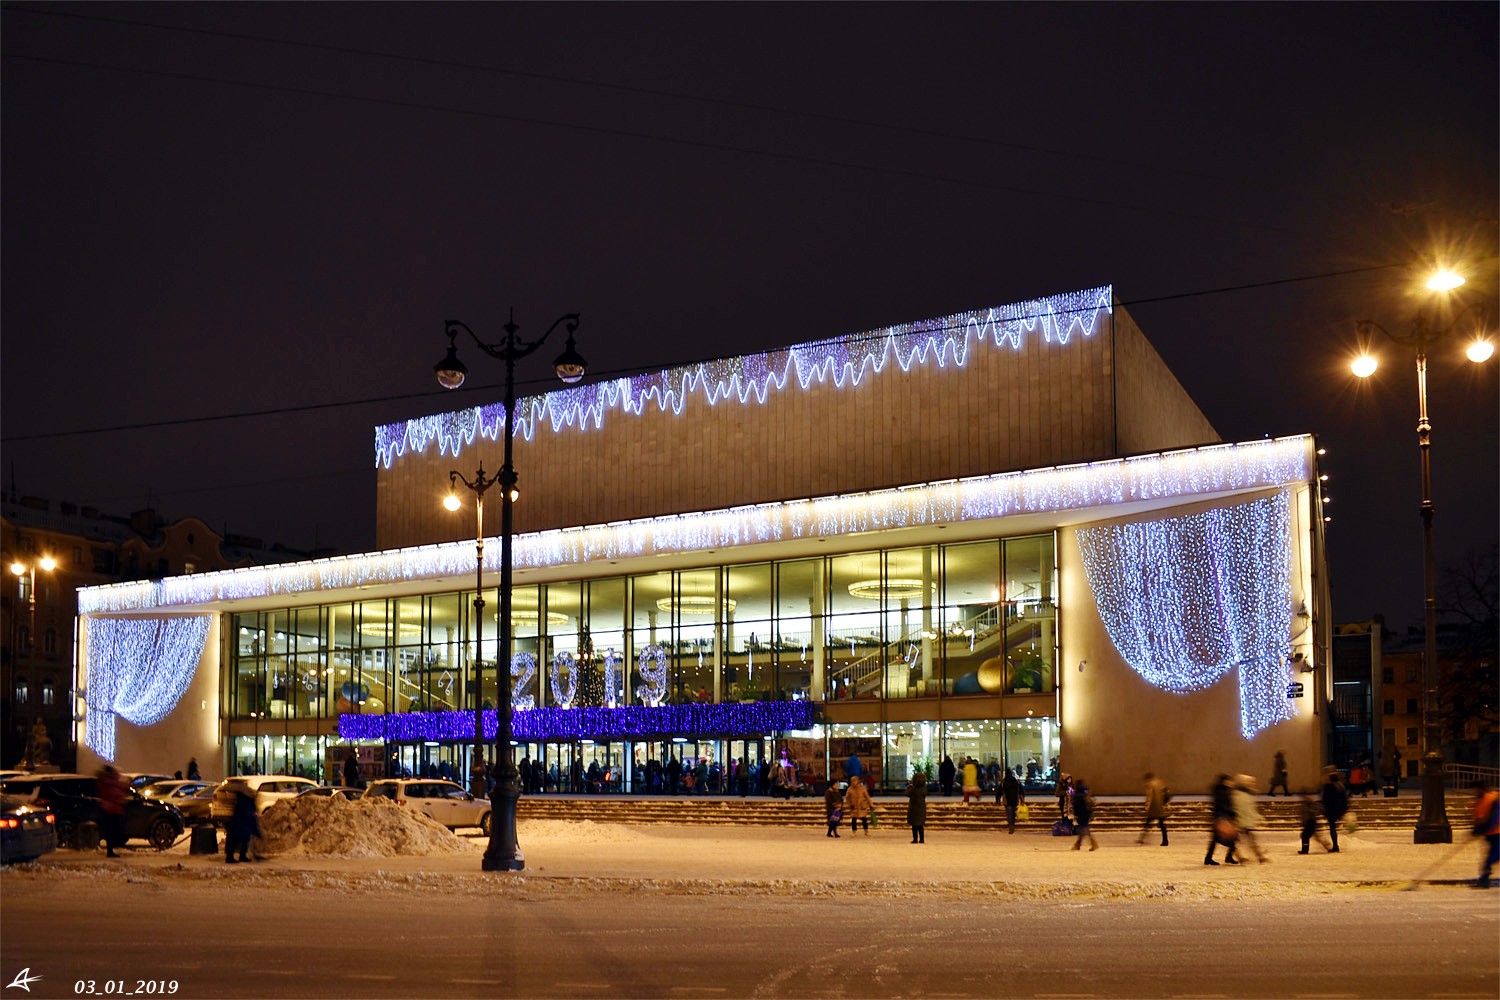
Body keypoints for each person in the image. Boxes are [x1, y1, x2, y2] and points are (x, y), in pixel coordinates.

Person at [1231, 774, 1270, 863]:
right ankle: (1257, 857)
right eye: (1250, 782)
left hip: (1245, 821)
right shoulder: (1238, 795)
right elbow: (1238, 809)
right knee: (1239, 841)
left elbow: (1251, 809)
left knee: (1246, 840)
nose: (1253, 784)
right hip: (1240, 821)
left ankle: (1258, 857)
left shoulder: (1247, 794)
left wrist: (1260, 818)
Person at [1205, 773, 1240, 865]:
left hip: (1221, 817)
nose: (1231, 782)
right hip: (1222, 818)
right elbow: (1223, 805)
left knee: (1216, 839)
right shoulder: (1223, 792)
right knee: (1233, 837)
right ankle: (1227, 856)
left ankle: (1209, 858)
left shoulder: (1221, 791)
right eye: (1229, 781)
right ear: (1225, 781)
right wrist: (1232, 813)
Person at [1470, 780, 1499, 889]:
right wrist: (1476, 829)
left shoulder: (1491, 799)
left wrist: (1482, 828)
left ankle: (1484, 880)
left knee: (1492, 858)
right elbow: (1479, 817)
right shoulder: (1480, 801)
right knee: (1491, 857)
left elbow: (1494, 817)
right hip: (1491, 834)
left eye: (1475, 789)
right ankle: (1484, 879)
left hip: (1497, 833)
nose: (1473, 792)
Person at [96, 765, 128, 858]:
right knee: (112, 830)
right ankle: (110, 850)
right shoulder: (110, 783)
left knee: (110, 830)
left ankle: (110, 849)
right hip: (112, 810)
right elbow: (115, 793)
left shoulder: (104, 782)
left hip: (109, 809)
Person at [226, 782, 260, 864]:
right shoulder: (246, 800)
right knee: (241, 839)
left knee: (240, 840)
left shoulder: (241, 799)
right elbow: (248, 813)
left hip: (240, 823)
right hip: (242, 823)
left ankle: (234, 856)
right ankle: (234, 857)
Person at [1320, 767, 1349, 853]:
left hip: (1331, 810)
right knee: (1333, 827)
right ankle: (1335, 845)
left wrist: (1324, 810)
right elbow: (1345, 799)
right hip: (1339, 809)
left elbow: (1325, 799)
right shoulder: (1341, 786)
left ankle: (1335, 845)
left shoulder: (1329, 787)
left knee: (1332, 827)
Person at [1137, 772, 1170, 846]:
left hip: (1153, 808)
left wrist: (1147, 804)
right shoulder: (1160, 783)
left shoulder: (1150, 784)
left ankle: (1141, 839)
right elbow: (1165, 792)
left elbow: (1150, 795)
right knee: (1162, 825)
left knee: (1147, 824)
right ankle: (1165, 840)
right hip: (1159, 807)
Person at [1297, 790, 1332, 854]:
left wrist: (1311, 814)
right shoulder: (1306, 802)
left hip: (1310, 822)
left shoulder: (1309, 802)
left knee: (1305, 836)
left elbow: (1317, 808)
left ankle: (1305, 850)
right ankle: (1328, 847)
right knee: (1316, 837)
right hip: (1310, 822)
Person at [1070, 777, 1098, 851]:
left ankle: (1092, 843)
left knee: (1084, 829)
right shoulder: (1084, 794)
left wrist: (1075, 813)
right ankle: (1078, 844)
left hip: (1081, 814)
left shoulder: (1077, 795)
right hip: (1086, 813)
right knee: (1082, 829)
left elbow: (1076, 805)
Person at [1000, 767, 1025, 835]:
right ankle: (1013, 824)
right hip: (1014, 799)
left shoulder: (1004, 781)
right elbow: (1021, 790)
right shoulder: (1015, 781)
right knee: (1013, 813)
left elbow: (999, 790)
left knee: (1009, 814)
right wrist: (1022, 799)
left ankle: (1011, 825)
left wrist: (998, 799)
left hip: (1007, 800)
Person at [906, 771, 928, 844]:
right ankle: (922, 839)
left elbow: (907, 793)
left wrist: (909, 786)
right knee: (920, 826)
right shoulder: (924, 789)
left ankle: (915, 839)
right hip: (921, 809)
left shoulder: (913, 789)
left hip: (913, 809)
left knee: (914, 826)